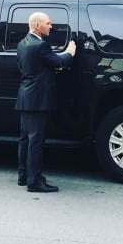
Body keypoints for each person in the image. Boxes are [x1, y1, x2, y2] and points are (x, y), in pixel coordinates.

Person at [15, 12, 76, 192]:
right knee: (36, 142)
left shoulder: (22, 43)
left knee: (25, 140)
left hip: (25, 97)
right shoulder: (40, 45)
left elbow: (29, 67)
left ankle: (24, 176)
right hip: (38, 99)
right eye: (48, 23)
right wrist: (70, 52)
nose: (51, 26)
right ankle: (35, 182)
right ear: (37, 26)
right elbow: (58, 61)